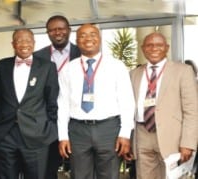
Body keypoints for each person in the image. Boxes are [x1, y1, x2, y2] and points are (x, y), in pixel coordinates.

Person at [57, 23, 135, 179]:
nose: (88, 39)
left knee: (109, 175)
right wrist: (63, 136)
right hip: (78, 130)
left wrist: (125, 133)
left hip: (109, 129)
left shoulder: (116, 66)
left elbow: (127, 101)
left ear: (99, 39)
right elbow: (63, 104)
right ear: (77, 41)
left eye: (92, 34)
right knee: (79, 175)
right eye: (82, 36)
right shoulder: (68, 69)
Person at [0, 28, 59, 179]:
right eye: (19, 40)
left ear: (34, 43)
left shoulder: (47, 67)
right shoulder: (1, 66)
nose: (24, 44)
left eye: (28, 40)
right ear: (13, 44)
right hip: (6, 134)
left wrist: (48, 128)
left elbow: (52, 101)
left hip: (37, 134)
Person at [130, 32, 198, 179]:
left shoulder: (183, 71)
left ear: (166, 48)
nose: (154, 48)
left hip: (173, 135)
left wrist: (188, 142)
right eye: (149, 45)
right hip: (142, 134)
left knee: (173, 176)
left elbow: (192, 111)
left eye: (159, 45)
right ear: (143, 49)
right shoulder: (134, 74)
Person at [34, 15, 81, 179]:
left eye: (61, 28)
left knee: (81, 166)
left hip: (77, 118)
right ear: (47, 33)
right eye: (52, 29)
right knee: (48, 168)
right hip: (48, 120)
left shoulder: (82, 52)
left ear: (69, 30)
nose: (57, 32)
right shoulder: (37, 56)